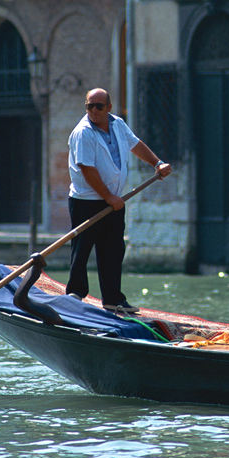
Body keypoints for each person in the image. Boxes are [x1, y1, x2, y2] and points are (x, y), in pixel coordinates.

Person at [66, 87, 171, 312]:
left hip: (114, 200)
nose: (93, 110)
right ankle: (75, 295)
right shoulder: (83, 132)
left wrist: (157, 163)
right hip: (86, 200)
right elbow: (86, 168)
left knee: (113, 250)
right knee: (82, 248)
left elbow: (136, 145)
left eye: (99, 106)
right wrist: (108, 197)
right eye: (89, 106)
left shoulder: (118, 124)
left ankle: (113, 299)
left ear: (109, 107)